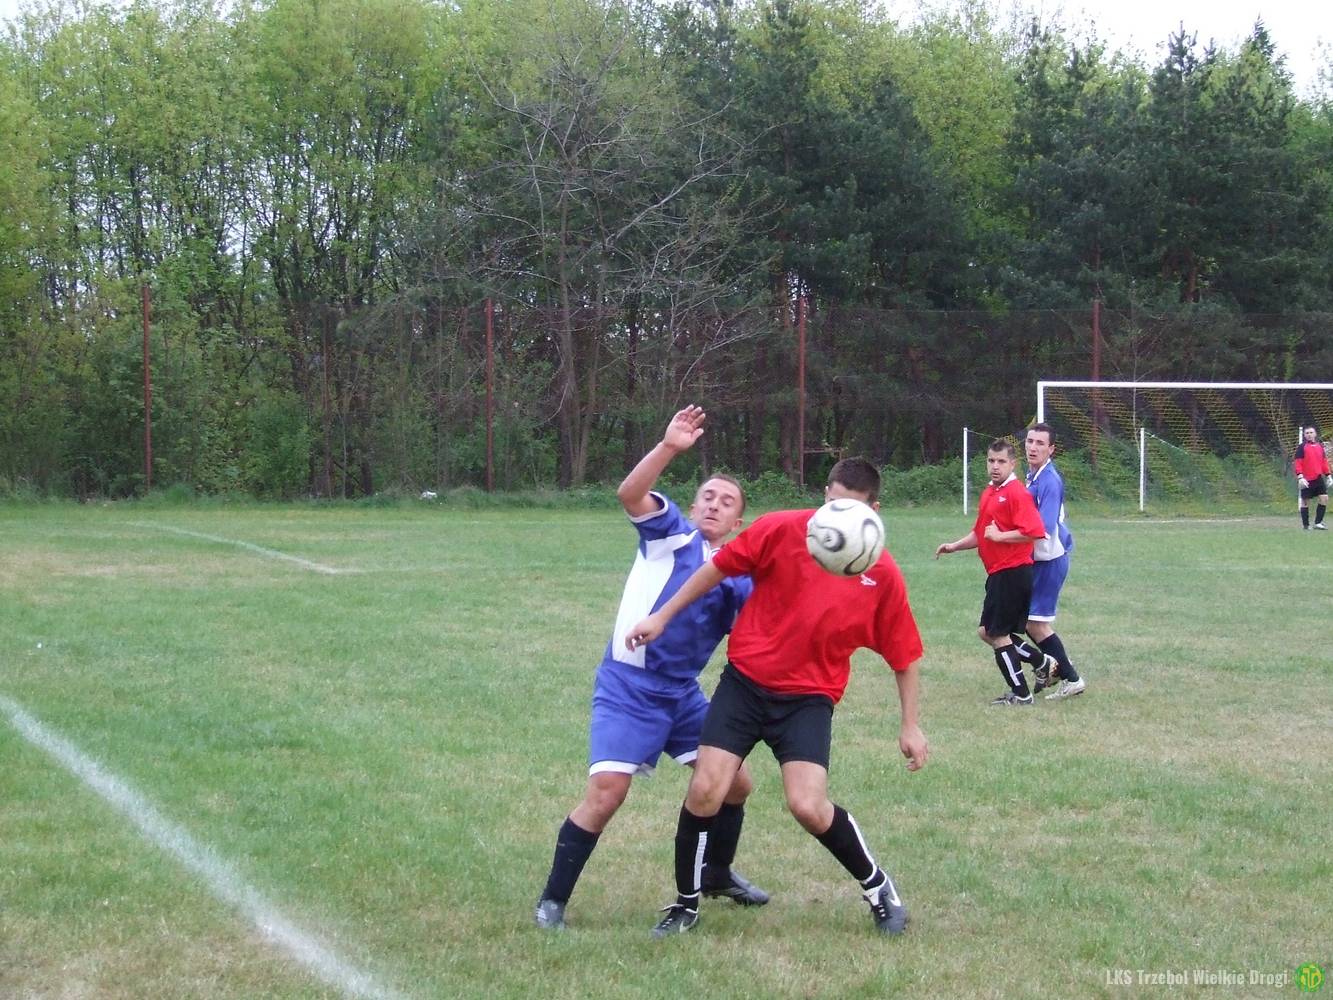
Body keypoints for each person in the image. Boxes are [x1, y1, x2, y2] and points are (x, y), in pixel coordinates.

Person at [625, 458, 928, 939]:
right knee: (706, 789)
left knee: (808, 805)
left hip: (808, 699)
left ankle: (879, 888)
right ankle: (685, 905)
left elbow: (904, 656)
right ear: (824, 494)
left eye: (850, 509)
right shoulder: (781, 529)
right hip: (745, 685)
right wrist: (662, 616)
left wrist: (910, 725)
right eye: (832, 503)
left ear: (873, 511)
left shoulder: (881, 574)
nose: (835, 518)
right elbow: (716, 568)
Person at [534, 406, 768, 931]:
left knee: (735, 784)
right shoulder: (671, 536)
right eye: (708, 495)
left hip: (681, 694)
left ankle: (716, 875)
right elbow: (629, 494)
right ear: (693, 505)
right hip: (629, 685)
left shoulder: (737, 576)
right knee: (607, 793)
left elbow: (760, 629)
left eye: (727, 501)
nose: (715, 503)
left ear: (738, 524)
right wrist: (668, 448)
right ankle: (552, 900)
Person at [935, 439, 1052, 706]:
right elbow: (981, 533)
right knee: (987, 632)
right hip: (998, 573)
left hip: (1014, 572)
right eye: (991, 461)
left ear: (1013, 464)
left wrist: (1000, 536)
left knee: (996, 635)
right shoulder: (990, 492)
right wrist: (954, 546)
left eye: (1001, 461)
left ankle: (1022, 694)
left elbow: (1034, 532)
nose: (995, 466)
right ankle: (1041, 662)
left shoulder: (1017, 493)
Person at [1020, 424, 1086, 700]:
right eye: (1030, 441)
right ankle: (1056, 668)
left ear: (1051, 449)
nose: (1033, 447)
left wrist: (1007, 536)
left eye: (1040, 443)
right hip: (1039, 559)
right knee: (1028, 623)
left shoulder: (1049, 480)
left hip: (1049, 560)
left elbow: (1044, 526)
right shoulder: (1033, 475)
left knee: (1035, 624)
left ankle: (1070, 677)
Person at [1292, 425, 1331, 530]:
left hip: (1318, 477)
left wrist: (1328, 475)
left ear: (1315, 434)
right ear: (1304, 435)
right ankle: (1306, 525)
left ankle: (1318, 523)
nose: (1309, 435)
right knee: (1305, 502)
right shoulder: (1302, 447)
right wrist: (1300, 477)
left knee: (1324, 498)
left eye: (1311, 432)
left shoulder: (1320, 446)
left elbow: (1324, 462)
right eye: (1307, 433)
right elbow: (1298, 463)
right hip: (1306, 479)